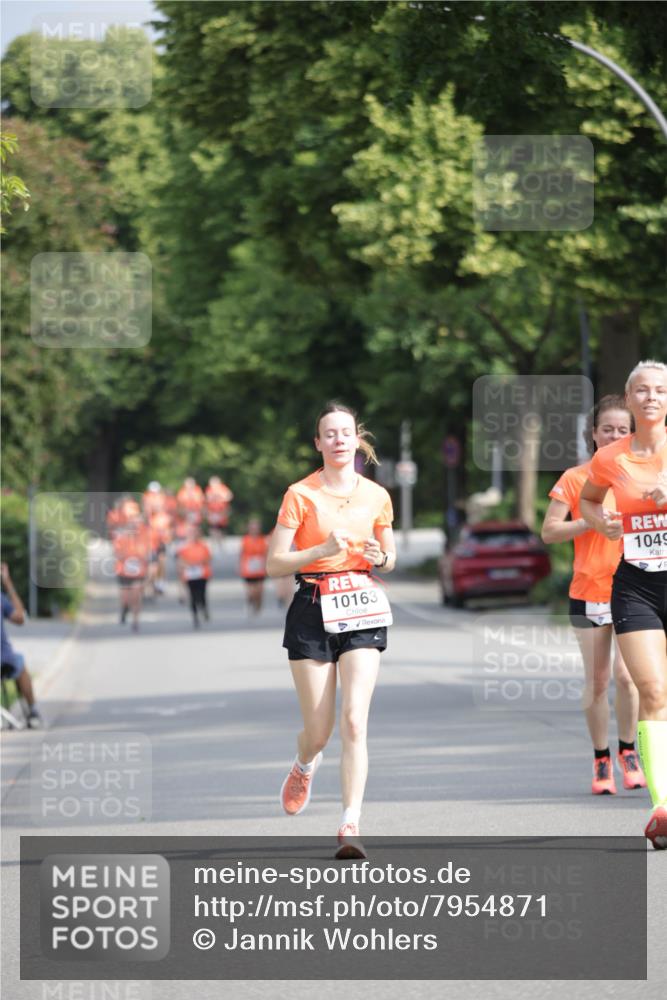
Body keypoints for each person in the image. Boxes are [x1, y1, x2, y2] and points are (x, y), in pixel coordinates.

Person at [267, 402, 396, 859]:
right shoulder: (299, 494)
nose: (340, 439)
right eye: (330, 433)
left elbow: (389, 554)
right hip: (312, 605)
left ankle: (350, 823)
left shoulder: (377, 495)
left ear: (357, 439)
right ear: (318, 443)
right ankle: (305, 763)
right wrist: (319, 548)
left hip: (361, 606)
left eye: (346, 432)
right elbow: (273, 562)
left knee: (355, 721)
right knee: (319, 731)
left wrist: (379, 558)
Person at [580, 360, 667, 849]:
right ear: (629, 400)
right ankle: (662, 806)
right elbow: (591, 501)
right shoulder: (611, 457)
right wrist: (601, 523)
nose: (651, 397)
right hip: (636, 583)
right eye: (642, 391)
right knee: (652, 689)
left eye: (660, 390)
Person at [542, 396, 646, 795]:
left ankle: (628, 751)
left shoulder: (643, 476)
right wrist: (591, 521)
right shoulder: (574, 478)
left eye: (623, 430)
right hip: (589, 591)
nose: (615, 435)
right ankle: (601, 758)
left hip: (634, 587)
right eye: (608, 429)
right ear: (594, 434)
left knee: (628, 676)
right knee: (599, 680)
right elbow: (549, 531)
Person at [1, 563, 43, 728]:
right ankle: (33, 712)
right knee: (20, 662)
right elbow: (21, 618)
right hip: (4, 661)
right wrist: (8, 583)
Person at [112, 511, 151, 632]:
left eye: (136, 526)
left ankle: (135, 621)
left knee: (136, 597)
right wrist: (129, 556)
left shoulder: (144, 539)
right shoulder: (121, 539)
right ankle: (124, 608)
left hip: (138, 573)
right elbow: (117, 554)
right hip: (123, 572)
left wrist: (141, 558)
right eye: (132, 526)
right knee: (125, 598)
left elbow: (147, 555)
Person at [177, 524, 212, 628]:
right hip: (190, 574)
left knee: (201, 594)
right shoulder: (184, 547)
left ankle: (204, 608)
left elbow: (208, 559)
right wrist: (187, 565)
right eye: (192, 533)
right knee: (192, 596)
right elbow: (180, 561)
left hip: (202, 573)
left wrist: (199, 562)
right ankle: (195, 616)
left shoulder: (203, 546)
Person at [239, 518, 269, 614]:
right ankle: (250, 602)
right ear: (249, 528)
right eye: (252, 527)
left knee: (259, 591)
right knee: (251, 591)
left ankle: (258, 604)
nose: (254, 529)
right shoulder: (245, 540)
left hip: (260, 569)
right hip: (248, 570)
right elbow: (241, 554)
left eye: (256, 527)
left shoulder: (262, 540)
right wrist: (240, 566)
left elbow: (266, 554)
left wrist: (266, 566)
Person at [206, 476, 234, 545]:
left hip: (221, 512)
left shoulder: (223, 488)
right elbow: (207, 498)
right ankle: (214, 543)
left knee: (221, 528)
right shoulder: (209, 489)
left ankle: (221, 544)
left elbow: (229, 496)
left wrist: (220, 497)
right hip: (213, 512)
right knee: (213, 528)